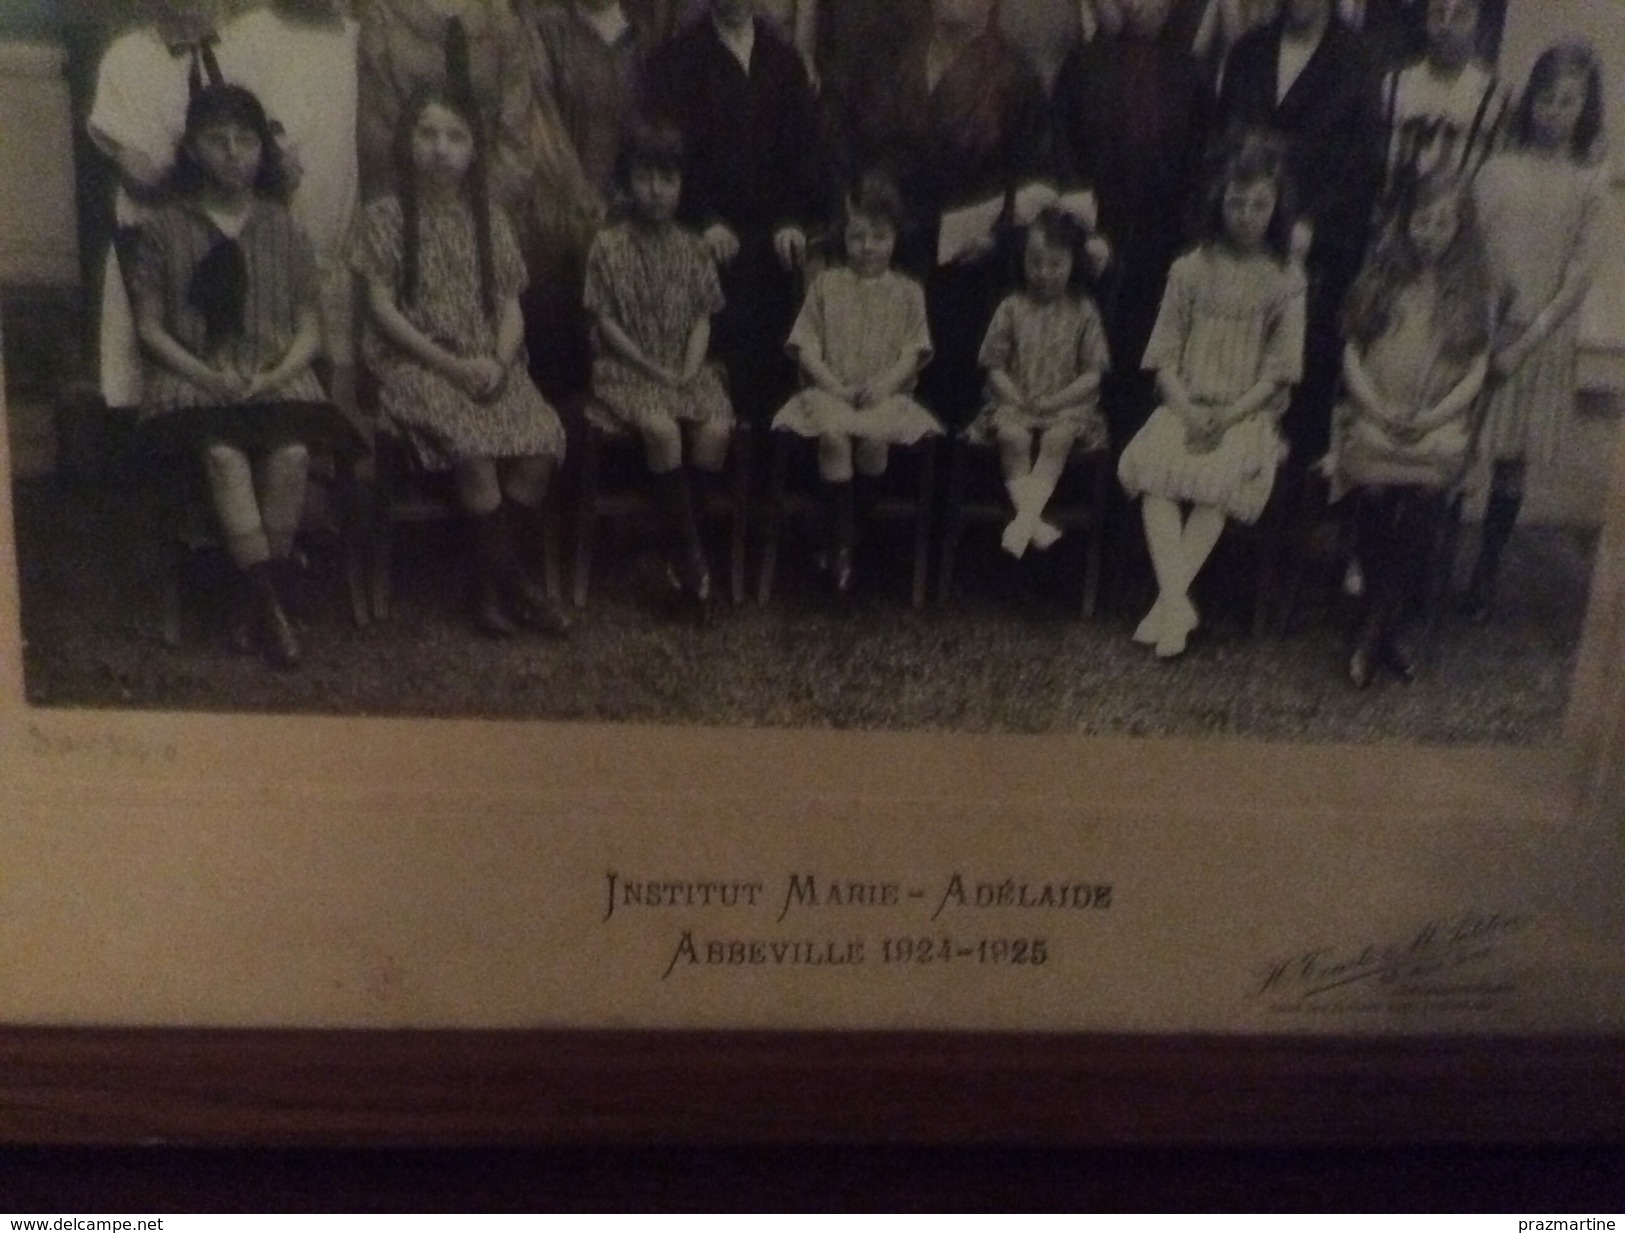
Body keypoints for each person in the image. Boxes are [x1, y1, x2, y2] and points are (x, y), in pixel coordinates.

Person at [129, 85, 364, 668]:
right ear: (192, 150)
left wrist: (278, 372)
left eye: (247, 141)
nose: (234, 153)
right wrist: (204, 375)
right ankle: (271, 607)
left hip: (272, 372)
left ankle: (249, 602)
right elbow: (150, 329)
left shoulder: (283, 228)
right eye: (218, 141)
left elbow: (309, 328)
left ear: (263, 152)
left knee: (290, 455)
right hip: (193, 375)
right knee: (225, 456)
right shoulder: (164, 228)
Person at [351, 86, 570, 638]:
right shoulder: (383, 217)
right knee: (473, 445)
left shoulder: (489, 219)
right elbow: (381, 312)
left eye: (455, 136)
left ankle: (491, 579)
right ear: (407, 141)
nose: (441, 149)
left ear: (474, 150)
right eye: (427, 134)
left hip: (486, 361)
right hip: (415, 366)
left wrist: (498, 360)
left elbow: (510, 306)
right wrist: (449, 366)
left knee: (542, 439)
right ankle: (507, 588)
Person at [1116, 134, 1305, 659]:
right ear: (1218, 203)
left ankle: (1168, 605)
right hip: (1186, 402)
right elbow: (1163, 358)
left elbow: (1279, 372)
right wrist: (1188, 408)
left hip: (1244, 412)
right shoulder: (1189, 270)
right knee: (1155, 472)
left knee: (1216, 485)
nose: (1246, 215)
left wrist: (1226, 416)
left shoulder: (1284, 279)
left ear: (1276, 207)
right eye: (1236, 203)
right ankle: (1177, 602)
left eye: (1259, 205)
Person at [1462, 42, 1608, 624]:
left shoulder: (1588, 184)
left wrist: (1529, 335)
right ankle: (1427, 562)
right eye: (1546, 98)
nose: (1555, 111)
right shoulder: (1496, 170)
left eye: (1568, 101)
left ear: (1585, 108)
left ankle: (1483, 576)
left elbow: (1578, 274)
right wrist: (1488, 319)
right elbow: (1472, 248)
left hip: (1539, 339)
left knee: (1512, 459)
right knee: (1457, 446)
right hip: (1480, 329)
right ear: (1531, 102)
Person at [1329, 171, 1490, 685]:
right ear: (1405, 223)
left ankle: (1371, 632)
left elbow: (1476, 372)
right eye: (1422, 220)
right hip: (1375, 415)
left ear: (1460, 229)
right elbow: (1351, 352)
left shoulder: (1470, 288)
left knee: (1423, 501)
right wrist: (1374, 405)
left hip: (1434, 424)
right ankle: (1385, 630)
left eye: (1445, 223)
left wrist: (1435, 418)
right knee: (1374, 493)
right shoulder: (1380, 277)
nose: (1431, 232)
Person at [645, 0, 827, 427]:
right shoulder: (676, 61)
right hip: (703, 238)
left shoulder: (784, 62)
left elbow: (806, 155)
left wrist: (791, 220)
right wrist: (702, 220)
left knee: (770, 360)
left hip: (772, 240)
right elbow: (667, 156)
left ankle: (761, 474)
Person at [1218, 0, 1384, 462]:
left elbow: (1366, 165)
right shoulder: (1249, 52)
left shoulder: (1360, 60)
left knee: (1304, 383)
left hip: (1321, 253)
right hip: (1245, 240)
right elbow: (1225, 145)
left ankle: (1290, 514)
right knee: (1236, 371)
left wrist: (1310, 223)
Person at [582, 120, 735, 610]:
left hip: (683, 366)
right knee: (663, 429)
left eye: (667, 180)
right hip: (628, 367)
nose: (656, 191)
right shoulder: (609, 246)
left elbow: (702, 320)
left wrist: (689, 370)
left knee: (716, 429)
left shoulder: (693, 248)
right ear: (628, 182)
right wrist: (651, 367)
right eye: (645, 178)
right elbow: (604, 322)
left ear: (681, 185)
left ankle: (681, 545)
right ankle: (688, 556)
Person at [1053, 0, 1211, 446]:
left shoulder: (1191, 73)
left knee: (1147, 374)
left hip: (1163, 247)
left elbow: (1203, 164)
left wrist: (1185, 244)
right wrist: (1085, 230)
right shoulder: (1084, 66)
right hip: (1093, 245)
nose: (1147, 6)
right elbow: (1062, 157)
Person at [772, 173, 939, 593]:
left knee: (873, 442)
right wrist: (833, 385)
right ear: (842, 238)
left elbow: (913, 352)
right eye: (858, 237)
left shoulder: (908, 292)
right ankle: (842, 549)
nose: (868, 247)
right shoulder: (827, 285)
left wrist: (884, 386)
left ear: (895, 238)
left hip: (883, 395)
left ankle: (845, 542)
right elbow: (806, 345)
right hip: (831, 392)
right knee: (832, 437)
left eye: (879, 237)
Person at [216, 0, 361, 410]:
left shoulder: (356, 39)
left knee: (340, 355)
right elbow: (232, 129)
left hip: (345, 226)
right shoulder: (245, 36)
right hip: (272, 230)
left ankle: (338, 450)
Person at [88, 0, 225, 414]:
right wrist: (208, 172)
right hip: (147, 245)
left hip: (223, 242)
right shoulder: (126, 58)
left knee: (219, 381)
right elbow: (139, 176)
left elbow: (265, 154)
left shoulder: (238, 51)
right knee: (143, 389)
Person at [971, 207, 1111, 558]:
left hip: (1066, 407)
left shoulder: (1083, 310)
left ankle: (1024, 521)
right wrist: (1013, 396)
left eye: (1055, 264)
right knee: (1012, 435)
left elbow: (1093, 373)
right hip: (1015, 401)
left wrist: (1057, 401)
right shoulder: (1011, 307)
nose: (1043, 273)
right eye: (1035, 262)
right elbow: (993, 366)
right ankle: (1033, 522)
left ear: (1072, 264)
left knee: (1057, 438)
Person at [1378, 0, 1509, 203]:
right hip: (1393, 212)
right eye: (1438, 14)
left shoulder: (1494, 97)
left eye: (1460, 16)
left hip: (1454, 220)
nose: (1446, 26)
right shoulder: (1395, 85)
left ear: (1477, 23)